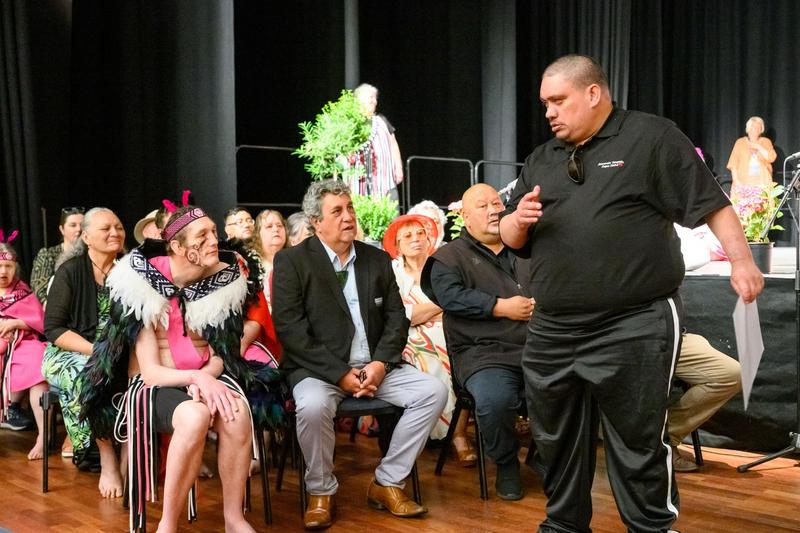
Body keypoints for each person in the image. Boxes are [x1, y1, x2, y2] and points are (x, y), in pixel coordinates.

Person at [499, 54, 764, 532]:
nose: (549, 113)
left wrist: (743, 262)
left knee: (638, 438)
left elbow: (712, 203)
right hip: (553, 326)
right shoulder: (543, 158)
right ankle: (563, 525)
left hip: (633, 322)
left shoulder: (650, 137)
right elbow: (511, 234)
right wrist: (515, 222)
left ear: (594, 93)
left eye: (558, 101)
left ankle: (652, 527)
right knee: (555, 439)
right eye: (545, 104)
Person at [79, 205, 280, 533]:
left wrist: (209, 377)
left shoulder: (222, 283)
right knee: (194, 416)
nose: (214, 240)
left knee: (237, 414)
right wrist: (195, 378)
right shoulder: (142, 284)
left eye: (214, 232)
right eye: (203, 235)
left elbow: (221, 354)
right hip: (153, 386)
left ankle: (234, 518)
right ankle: (167, 525)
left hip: (205, 378)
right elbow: (150, 372)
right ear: (178, 247)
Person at [272, 179, 447, 530]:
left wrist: (381, 364)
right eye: (336, 211)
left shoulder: (376, 259)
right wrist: (340, 374)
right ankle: (321, 491)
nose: (348, 216)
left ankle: (387, 482)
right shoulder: (292, 262)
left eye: (349, 208)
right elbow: (291, 331)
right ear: (315, 222)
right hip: (319, 370)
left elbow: (397, 318)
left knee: (434, 392)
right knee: (313, 405)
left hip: (377, 368)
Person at [421, 183, 532, 500]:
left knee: (577, 384)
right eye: (483, 206)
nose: (494, 209)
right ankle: (507, 463)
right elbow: (449, 297)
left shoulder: (526, 247)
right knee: (494, 399)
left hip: (536, 347)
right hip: (483, 354)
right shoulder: (448, 257)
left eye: (497, 202)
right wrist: (500, 306)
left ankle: (545, 456)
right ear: (466, 218)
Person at [42, 207, 125, 498]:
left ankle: (127, 448)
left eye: (118, 227)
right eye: (106, 229)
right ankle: (104, 455)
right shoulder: (70, 270)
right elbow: (53, 329)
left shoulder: (129, 272)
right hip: (68, 351)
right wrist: (97, 352)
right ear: (87, 237)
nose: (114, 233)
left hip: (117, 353)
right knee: (88, 372)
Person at [382, 214, 476, 465]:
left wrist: (431, 308)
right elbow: (405, 316)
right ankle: (431, 432)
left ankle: (458, 433)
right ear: (397, 244)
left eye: (420, 233)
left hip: (450, 329)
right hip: (408, 336)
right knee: (427, 359)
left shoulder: (442, 266)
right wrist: (443, 303)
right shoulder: (392, 273)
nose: (415, 239)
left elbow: (461, 301)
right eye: (408, 236)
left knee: (462, 357)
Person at [0, 238, 49, 459]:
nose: (3, 271)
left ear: (15, 267)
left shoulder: (22, 290)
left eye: (8, 266)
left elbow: (40, 320)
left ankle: (44, 436)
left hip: (23, 343)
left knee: (38, 368)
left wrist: (16, 323)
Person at [669, 333, 741, 472]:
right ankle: (656, 441)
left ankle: (663, 435)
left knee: (731, 374)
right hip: (634, 338)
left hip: (676, 335)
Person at [349, 83, 404, 202]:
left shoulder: (382, 121)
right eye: (371, 98)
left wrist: (398, 168)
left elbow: (393, 144)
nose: (375, 102)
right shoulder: (351, 124)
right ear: (360, 100)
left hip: (386, 182)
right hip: (361, 185)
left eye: (375, 98)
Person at [30, 206, 85, 306]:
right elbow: (39, 287)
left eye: (82, 225)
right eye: (73, 225)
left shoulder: (91, 254)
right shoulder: (48, 254)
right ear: (62, 229)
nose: (79, 229)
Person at [726, 116, 777, 197]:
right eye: (754, 127)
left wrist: (758, 147)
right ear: (748, 128)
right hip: (743, 184)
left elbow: (771, 158)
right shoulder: (740, 142)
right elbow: (733, 165)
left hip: (762, 183)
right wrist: (736, 181)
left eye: (759, 127)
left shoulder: (766, 142)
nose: (756, 129)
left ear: (761, 129)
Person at [250, 209, 288, 312]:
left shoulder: (296, 259)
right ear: (258, 233)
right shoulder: (249, 263)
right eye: (269, 226)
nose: (276, 229)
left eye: (280, 226)